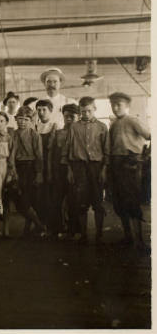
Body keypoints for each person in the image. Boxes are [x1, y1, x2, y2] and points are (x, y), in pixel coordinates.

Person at [63, 96, 109, 245]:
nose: (86, 114)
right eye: (83, 111)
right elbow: (68, 149)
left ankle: (99, 234)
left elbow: (106, 150)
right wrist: (70, 170)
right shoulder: (74, 127)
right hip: (79, 167)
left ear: (94, 109)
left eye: (89, 111)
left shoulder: (102, 127)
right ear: (80, 111)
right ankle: (83, 234)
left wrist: (104, 170)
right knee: (80, 202)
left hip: (96, 167)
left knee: (98, 202)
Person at [108, 92, 151, 252]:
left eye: (118, 104)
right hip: (115, 164)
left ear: (127, 106)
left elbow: (150, 136)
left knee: (132, 201)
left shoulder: (132, 120)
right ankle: (128, 237)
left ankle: (139, 241)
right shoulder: (114, 124)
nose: (115, 107)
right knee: (119, 203)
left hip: (130, 163)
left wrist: (143, 156)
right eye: (113, 104)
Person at [10, 106, 47, 237]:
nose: (22, 122)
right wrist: (13, 169)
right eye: (20, 119)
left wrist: (39, 173)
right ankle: (38, 224)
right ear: (15, 119)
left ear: (31, 120)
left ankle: (36, 225)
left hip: (30, 168)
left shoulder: (34, 135)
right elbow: (11, 154)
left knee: (28, 199)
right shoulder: (13, 134)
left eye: (26, 119)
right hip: (16, 167)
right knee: (18, 199)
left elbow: (39, 156)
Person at [50, 104, 80, 239]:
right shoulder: (58, 133)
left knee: (74, 200)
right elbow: (52, 153)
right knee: (56, 199)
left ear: (78, 117)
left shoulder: (80, 134)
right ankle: (58, 228)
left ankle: (74, 229)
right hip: (59, 169)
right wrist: (51, 171)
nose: (68, 119)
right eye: (66, 116)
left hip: (75, 170)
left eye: (72, 116)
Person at [35, 99, 57, 235]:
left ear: (50, 111)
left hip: (52, 166)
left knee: (52, 197)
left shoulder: (55, 126)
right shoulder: (35, 127)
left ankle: (53, 227)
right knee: (39, 197)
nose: (41, 113)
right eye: (39, 110)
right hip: (38, 166)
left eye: (44, 110)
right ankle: (41, 225)